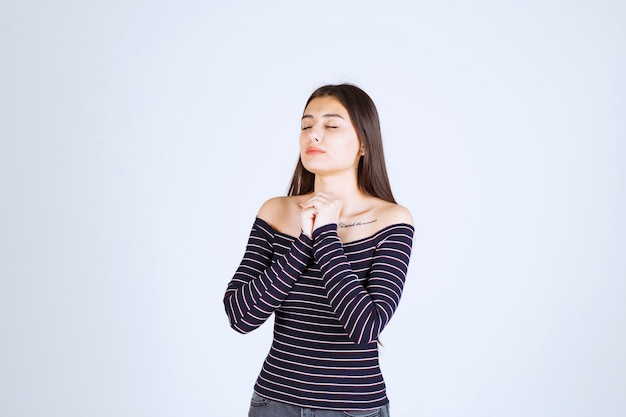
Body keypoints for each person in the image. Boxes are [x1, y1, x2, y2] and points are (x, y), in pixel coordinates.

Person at [223, 83, 414, 417]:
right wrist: (303, 241)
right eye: (306, 125)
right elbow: (241, 316)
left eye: (331, 125)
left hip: (353, 408)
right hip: (274, 404)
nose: (314, 135)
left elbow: (365, 326)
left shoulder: (391, 220)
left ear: (364, 144)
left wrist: (326, 233)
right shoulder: (276, 212)